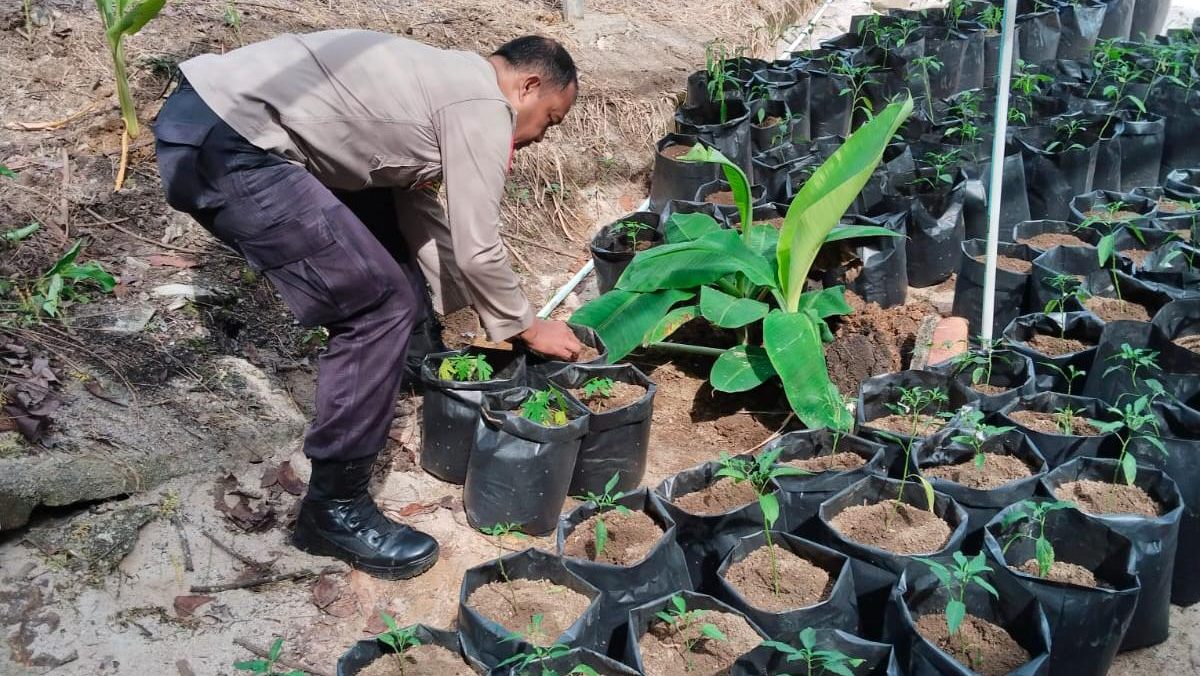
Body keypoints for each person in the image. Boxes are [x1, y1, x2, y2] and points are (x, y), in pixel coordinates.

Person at [153, 31, 584, 579]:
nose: (542, 137)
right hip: (232, 144)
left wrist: (461, 311)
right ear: (527, 85)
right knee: (375, 309)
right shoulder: (481, 104)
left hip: (208, 119)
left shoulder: (440, 81)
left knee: (380, 226)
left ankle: (406, 367)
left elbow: (415, 215)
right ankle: (334, 510)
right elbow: (480, 247)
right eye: (550, 118)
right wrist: (526, 326)